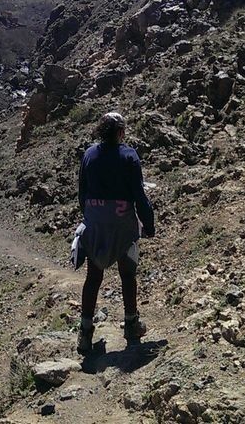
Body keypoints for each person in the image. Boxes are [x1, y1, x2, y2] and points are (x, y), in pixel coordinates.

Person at [76, 111, 155, 354]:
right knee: (128, 274)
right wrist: (148, 222)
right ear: (121, 132)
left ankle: (85, 333)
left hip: (96, 223)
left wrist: (91, 215)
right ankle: (131, 324)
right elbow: (138, 195)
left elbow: (82, 193)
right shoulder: (129, 156)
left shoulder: (89, 154)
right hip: (123, 224)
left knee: (93, 277)